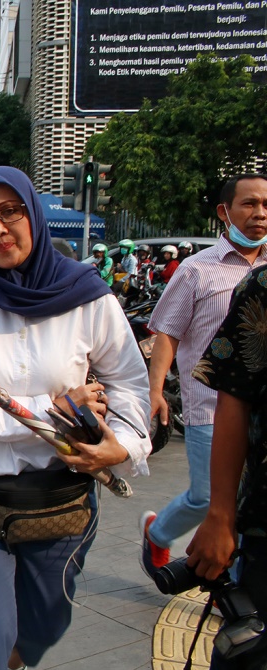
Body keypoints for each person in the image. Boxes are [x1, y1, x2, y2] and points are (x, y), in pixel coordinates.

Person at [0, 166, 150, 670]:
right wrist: (54, 410)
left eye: (10, 212)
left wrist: (126, 447)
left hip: (61, 494)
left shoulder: (88, 295)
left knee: (44, 625)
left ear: (34, 214)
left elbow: (131, 383)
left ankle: (15, 662)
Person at [140, 174, 267, 577]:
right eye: (248, 204)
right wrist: (155, 390)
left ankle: (237, 583)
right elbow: (168, 335)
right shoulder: (196, 270)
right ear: (224, 212)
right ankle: (158, 534)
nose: (259, 214)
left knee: (249, 501)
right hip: (208, 407)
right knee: (208, 496)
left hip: (259, 414)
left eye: (266, 205)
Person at [187, 261, 267, 670]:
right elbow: (233, 396)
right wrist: (220, 515)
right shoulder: (263, 285)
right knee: (245, 656)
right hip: (264, 522)